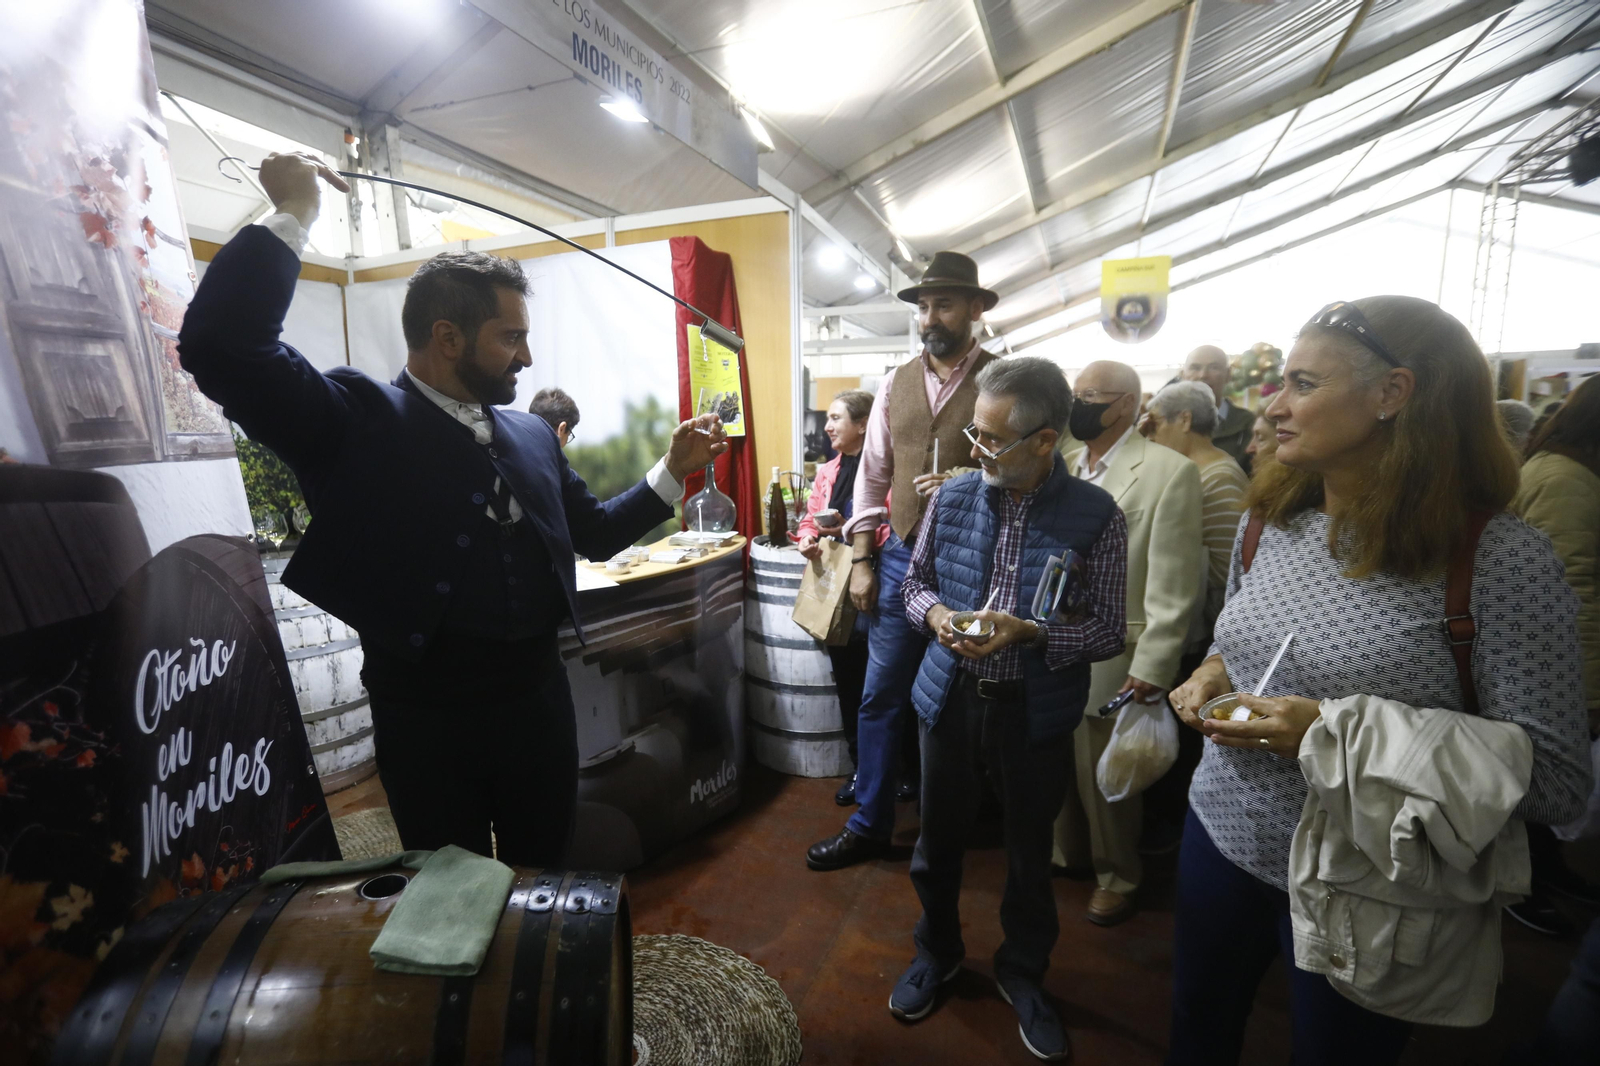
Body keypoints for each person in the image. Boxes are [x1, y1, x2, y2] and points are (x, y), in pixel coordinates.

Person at [178, 153, 727, 867]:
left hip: (538, 709)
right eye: (511, 337)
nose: (527, 357)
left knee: (544, 875)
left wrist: (671, 471)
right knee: (446, 896)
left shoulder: (532, 435)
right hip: (425, 722)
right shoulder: (352, 418)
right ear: (447, 338)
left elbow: (594, 533)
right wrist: (295, 211)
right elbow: (220, 345)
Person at [1166, 296, 1592, 1066]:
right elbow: (1240, 636)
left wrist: (1328, 732)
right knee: (1196, 1028)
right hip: (1220, 832)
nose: (1272, 403)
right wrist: (1209, 673)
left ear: (1393, 394)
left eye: (1302, 383)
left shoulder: (1499, 562)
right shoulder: (1271, 519)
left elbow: (1558, 782)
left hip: (1372, 877)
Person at [891, 357, 1127, 1062]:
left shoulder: (1096, 516)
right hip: (949, 697)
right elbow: (914, 586)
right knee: (937, 844)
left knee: (1029, 857)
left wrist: (1033, 634)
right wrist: (937, 621)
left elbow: (1108, 628)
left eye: (993, 440)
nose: (976, 451)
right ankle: (936, 952)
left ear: (1046, 441)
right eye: (976, 432)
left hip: (1034, 708)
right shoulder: (955, 496)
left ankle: (1023, 974)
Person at [807, 251, 1002, 871]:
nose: (930, 317)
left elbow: (1034, 471)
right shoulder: (894, 383)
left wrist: (974, 477)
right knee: (879, 696)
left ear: (975, 309)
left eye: (944, 304)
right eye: (923, 306)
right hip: (899, 561)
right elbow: (874, 476)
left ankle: (953, 825)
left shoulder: (1005, 380)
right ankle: (870, 822)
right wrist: (863, 558)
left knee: (962, 704)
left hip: (975, 569)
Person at [1053, 360, 1202, 926]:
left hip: (1119, 645)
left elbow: (1174, 579)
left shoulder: (1168, 472)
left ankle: (1118, 872)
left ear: (1124, 404)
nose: (1078, 405)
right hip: (1055, 635)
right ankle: (1065, 850)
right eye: (1076, 394)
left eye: (1088, 396)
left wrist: (1156, 664)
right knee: (1059, 759)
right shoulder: (1066, 464)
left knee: (1108, 772)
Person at [1137, 381, 1250, 851]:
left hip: (1206, 638)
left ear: (1185, 419)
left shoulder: (1217, 477)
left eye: (1156, 421)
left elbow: (1230, 574)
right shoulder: (1191, 471)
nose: (1151, 432)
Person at [1508, 375, 1600, 936]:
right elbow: (1576, 591)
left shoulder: (1565, 471)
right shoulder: (1567, 480)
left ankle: (1547, 872)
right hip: (1546, 662)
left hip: (1540, 655)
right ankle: (1524, 885)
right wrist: (1588, 693)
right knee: (1538, 774)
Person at [796, 389, 886, 806]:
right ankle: (859, 770)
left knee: (882, 687)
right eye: (829, 418)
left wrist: (851, 528)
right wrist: (809, 538)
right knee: (850, 684)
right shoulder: (827, 471)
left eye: (836, 418)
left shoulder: (886, 470)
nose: (827, 426)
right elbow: (809, 517)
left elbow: (895, 527)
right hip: (836, 588)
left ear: (865, 423)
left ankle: (896, 770)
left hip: (877, 584)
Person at [1180, 344, 1253, 469]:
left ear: (1228, 374)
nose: (1203, 375)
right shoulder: (1167, 422)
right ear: (1182, 375)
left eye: (1214, 367)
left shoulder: (1248, 424)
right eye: (1195, 368)